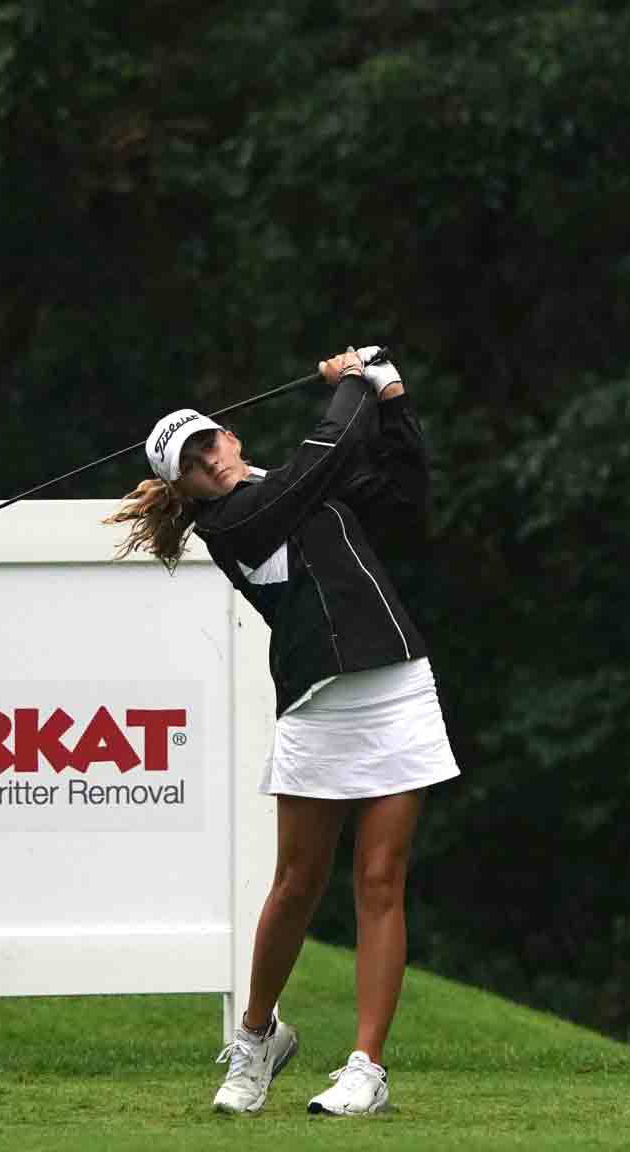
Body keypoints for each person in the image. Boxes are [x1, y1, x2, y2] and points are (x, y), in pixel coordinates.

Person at [103, 345, 460, 1116]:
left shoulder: (295, 488)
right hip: (315, 705)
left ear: (231, 438)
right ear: (183, 489)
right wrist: (353, 383)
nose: (211, 463)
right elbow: (322, 457)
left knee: (379, 880)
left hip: (396, 685)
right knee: (296, 885)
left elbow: (402, 495)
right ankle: (259, 1036)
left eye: (211, 444)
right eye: (192, 465)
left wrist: (394, 401)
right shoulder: (233, 522)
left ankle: (366, 1065)